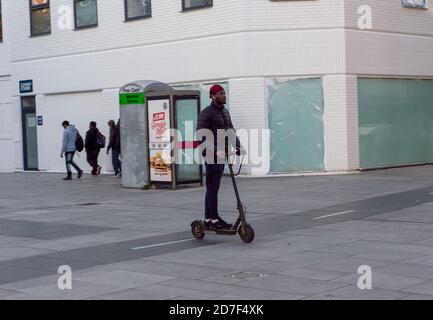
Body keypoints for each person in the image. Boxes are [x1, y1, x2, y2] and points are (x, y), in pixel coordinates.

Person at [196, 84, 244, 231]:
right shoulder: (207, 113)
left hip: (221, 155)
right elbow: (200, 135)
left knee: (213, 188)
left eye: (224, 93)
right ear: (213, 96)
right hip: (211, 155)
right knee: (212, 187)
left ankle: (209, 219)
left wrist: (237, 146)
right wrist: (215, 150)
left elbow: (230, 130)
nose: (224, 96)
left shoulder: (225, 112)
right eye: (221, 93)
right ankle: (214, 219)